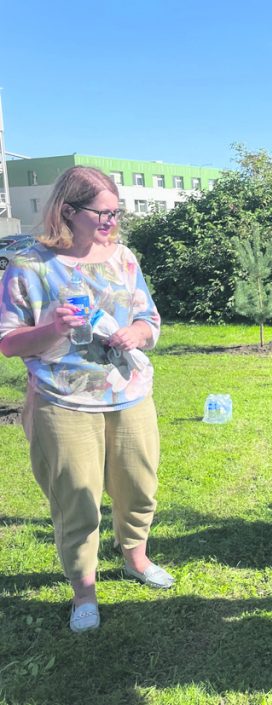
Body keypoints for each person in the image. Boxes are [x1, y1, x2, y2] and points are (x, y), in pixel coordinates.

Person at [0, 166, 174, 633]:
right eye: (103, 213)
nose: (111, 223)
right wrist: (54, 328)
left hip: (129, 395)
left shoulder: (124, 257)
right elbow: (9, 342)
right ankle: (84, 592)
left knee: (139, 487)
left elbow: (149, 318)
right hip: (63, 402)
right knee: (76, 500)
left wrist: (137, 332)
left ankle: (136, 559)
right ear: (68, 211)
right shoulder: (29, 266)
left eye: (116, 213)